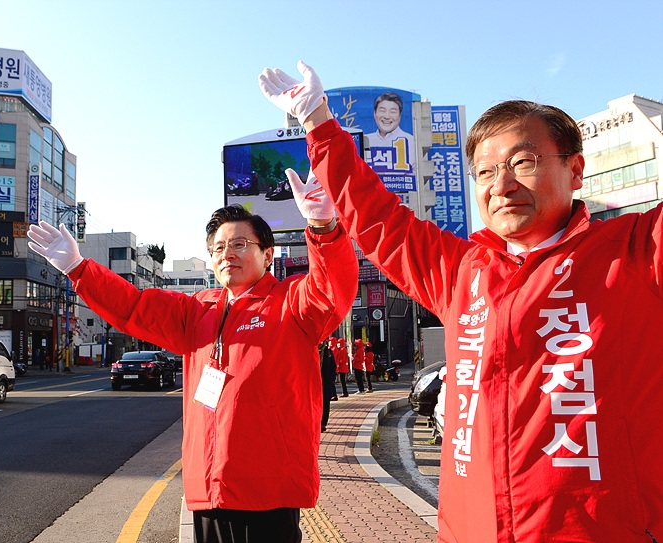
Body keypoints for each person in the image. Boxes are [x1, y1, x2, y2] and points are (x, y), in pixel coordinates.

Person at [260, 61, 663, 542]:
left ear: (575, 169)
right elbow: (379, 219)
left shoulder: (637, 252)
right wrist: (318, 123)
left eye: (523, 162)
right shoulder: (461, 270)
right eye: (486, 171)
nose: (501, 184)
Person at [27, 169, 358, 543]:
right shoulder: (199, 311)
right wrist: (78, 269)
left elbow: (333, 290)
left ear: (268, 254)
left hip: (268, 496)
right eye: (218, 248)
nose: (226, 255)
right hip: (208, 491)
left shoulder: (291, 304)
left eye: (239, 245)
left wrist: (324, 227)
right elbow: (134, 307)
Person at [365, 91, 416, 174]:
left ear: (400, 115)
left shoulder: (411, 142)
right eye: (382, 110)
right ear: (375, 114)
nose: (387, 116)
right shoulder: (364, 140)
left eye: (393, 111)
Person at [319, 339, 338, 431]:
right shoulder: (313, 350)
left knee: (326, 401)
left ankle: (323, 423)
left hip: (326, 382)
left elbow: (333, 366)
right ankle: (317, 422)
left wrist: (331, 379)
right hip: (315, 383)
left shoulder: (328, 352)